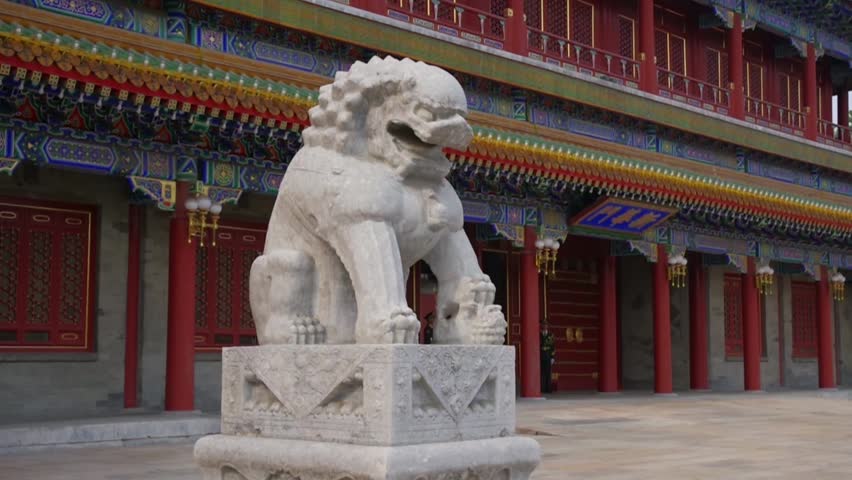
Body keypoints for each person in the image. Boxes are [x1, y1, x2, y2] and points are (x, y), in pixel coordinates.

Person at [540, 321, 555, 394]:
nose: (545, 326)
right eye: (544, 325)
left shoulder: (550, 335)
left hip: (548, 355)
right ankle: (542, 388)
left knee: (548, 373)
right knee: (542, 373)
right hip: (541, 355)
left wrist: (552, 357)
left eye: (546, 325)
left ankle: (548, 389)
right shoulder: (540, 334)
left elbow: (552, 346)